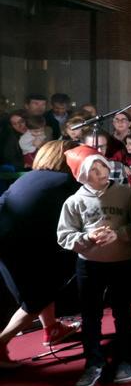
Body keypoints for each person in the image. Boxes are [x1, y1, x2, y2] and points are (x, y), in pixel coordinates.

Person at [57, 146, 131, 386]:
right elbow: (64, 236)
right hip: (89, 264)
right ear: (82, 175)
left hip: (121, 261)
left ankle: (124, 359)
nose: (101, 171)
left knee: (123, 312)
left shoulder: (125, 192)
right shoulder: (74, 201)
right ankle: (93, 362)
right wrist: (88, 238)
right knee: (91, 315)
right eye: (93, 169)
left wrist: (118, 234)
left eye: (102, 165)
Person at [0, 140, 82, 368]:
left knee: (43, 285)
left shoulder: (30, 177)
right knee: (36, 298)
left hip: (8, 238)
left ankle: (52, 328)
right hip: (18, 242)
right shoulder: (65, 181)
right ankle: (1, 342)